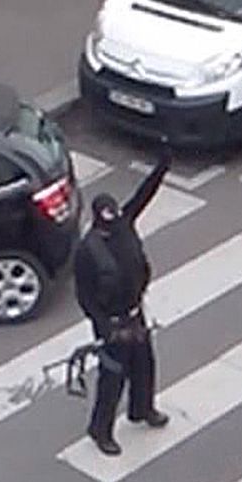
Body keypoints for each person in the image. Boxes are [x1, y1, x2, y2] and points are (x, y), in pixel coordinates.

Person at [74, 144, 173, 456]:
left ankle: (142, 409)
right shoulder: (87, 251)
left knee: (145, 364)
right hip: (112, 323)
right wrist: (104, 328)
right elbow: (85, 296)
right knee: (113, 377)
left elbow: (143, 195)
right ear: (97, 221)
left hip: (134, 313)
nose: (115, 223)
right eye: (109, 220)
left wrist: (163, 166)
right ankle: (100, 430)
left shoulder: (124, 224)